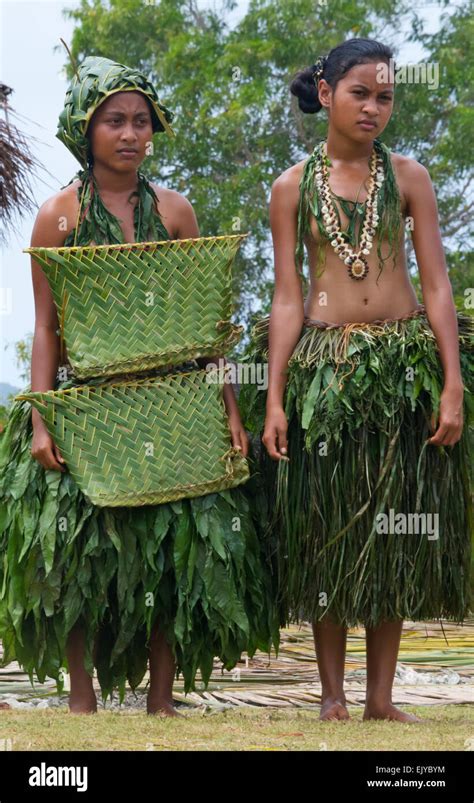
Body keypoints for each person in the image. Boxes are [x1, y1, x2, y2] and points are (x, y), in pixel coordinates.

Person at [0, 55, 279, 716]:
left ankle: (162, 696)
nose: (132, 134)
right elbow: (45, 328)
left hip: (170, 401)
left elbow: (206, 328)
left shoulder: (175, 212)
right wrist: (42, 419)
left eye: (142, 122)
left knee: (168, 557)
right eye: (115, 121)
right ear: (85, 128)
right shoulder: (58, 218)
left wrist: (229, 410)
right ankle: (80, 696)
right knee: (74, 554)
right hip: (85, 402)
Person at [238, 38, 473, 723]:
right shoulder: (290, 186)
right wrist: (275, 396)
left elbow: (436, 281)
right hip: (325, 372)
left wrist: (451, 381)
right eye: (360, 94)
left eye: (386, 96)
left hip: (402, 368)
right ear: (324, 94)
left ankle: (380, 698)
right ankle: (332, 696)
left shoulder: (409, 177)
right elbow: (287, 296)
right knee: (328, 525)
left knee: (394, 530)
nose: (374, 108)